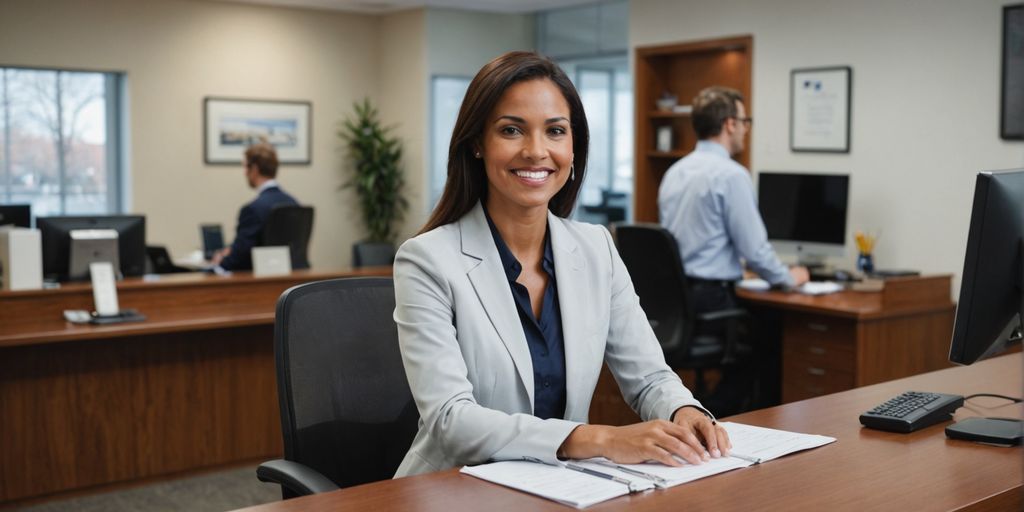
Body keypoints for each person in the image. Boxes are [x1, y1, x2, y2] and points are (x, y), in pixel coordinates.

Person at [392, 51, 730, 478]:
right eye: (511, 130)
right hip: (453, 489)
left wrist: (684, 409)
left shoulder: (596, 248)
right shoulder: (427, 260)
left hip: (560, 488)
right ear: (477, 143)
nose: (536, 152)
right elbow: (450, 421)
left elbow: (649, 376)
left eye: (555, 131)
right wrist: (601, 440)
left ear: (573, 148)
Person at [658, 87, 808, 414]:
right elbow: (755, 250)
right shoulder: (731, 175)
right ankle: (717, 415)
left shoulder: (675, 172)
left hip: (678, 304)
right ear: (729, 124)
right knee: (769, 344)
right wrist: (789, 278)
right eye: (744, 121)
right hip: (711, 301)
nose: (745, 129)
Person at [212, 143, 298, 271]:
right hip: (292, 281)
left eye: (245, 167)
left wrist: (218, 263)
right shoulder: (295, 204)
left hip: (257, 283)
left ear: (255, 169)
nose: (245, 173)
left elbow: (237, 260)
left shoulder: (252, 210)